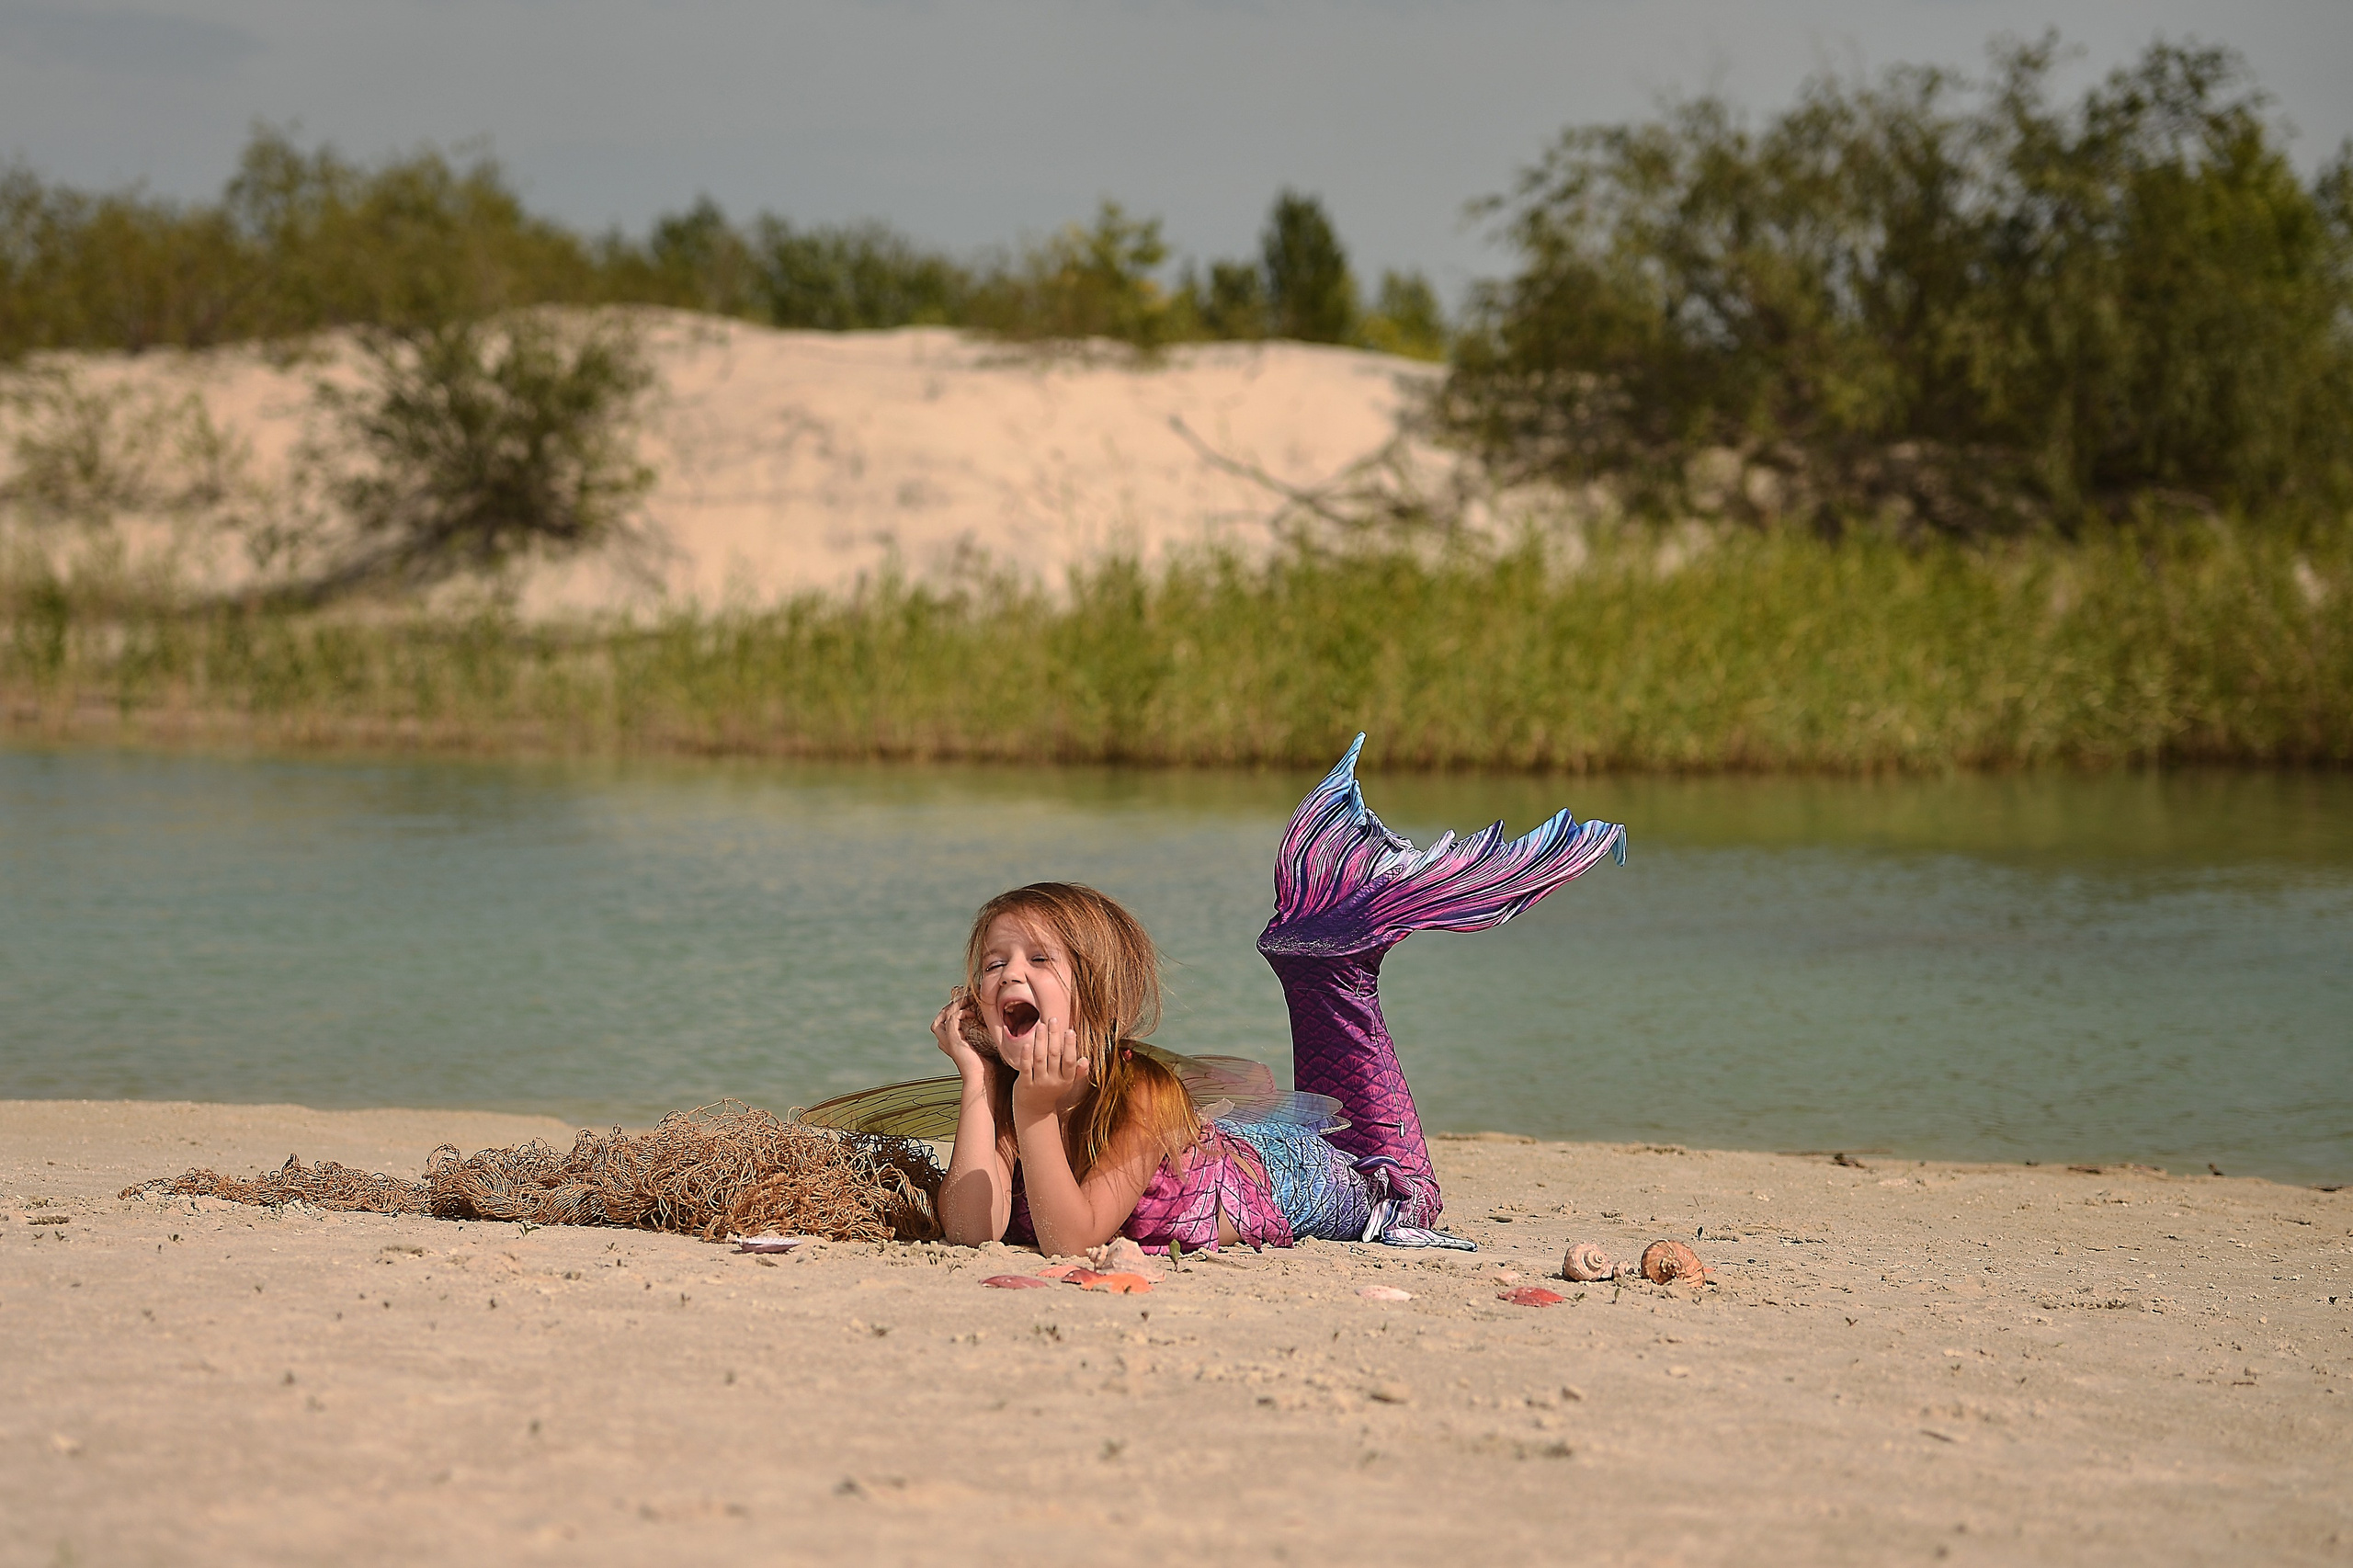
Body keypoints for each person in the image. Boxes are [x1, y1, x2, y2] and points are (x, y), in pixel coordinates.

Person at [928, 735, 1626, 1256]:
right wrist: (977, 1085)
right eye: (992, 963)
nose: (1008, 976)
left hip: (1315, 1177)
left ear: (1099, 995)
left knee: (1402, 1195)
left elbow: (1069, 1243)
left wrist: (1035, 1112)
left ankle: (1336, 963)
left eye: (1038, 959)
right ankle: (1321, 958)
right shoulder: (1009, 1097)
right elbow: (969, 1234)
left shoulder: (1141, 1096)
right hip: (1241, 1139)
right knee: (1313, 964)